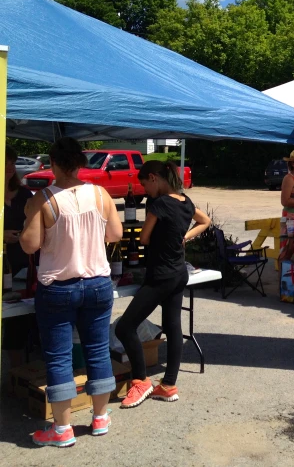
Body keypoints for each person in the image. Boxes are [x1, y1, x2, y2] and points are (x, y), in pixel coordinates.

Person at [20, 137, 123, 447]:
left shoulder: (44, 199)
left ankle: (62, 429)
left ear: (53, 164)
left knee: (59, 357)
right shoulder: (100, 194)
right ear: (80, 163)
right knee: (97, 350)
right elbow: (115, 233)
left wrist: (29, 216)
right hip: (98, 284)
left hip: (58, 287)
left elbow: (29, 244)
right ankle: (100, 418)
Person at [116, 161, 210, 408]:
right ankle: (168, 385)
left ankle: (141, 380)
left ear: (155, 178)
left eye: (144, 184)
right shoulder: (185, 201)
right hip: (179, 272)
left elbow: (144, 238)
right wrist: (184, 237)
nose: (144, 189)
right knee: (173, 326)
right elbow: (205, 220)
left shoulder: (158, 204)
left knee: (124, 328)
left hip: (161, 275)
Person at [2, 146, 35, 368]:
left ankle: (20, 369)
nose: (11, 167)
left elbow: (35, 221)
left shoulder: (24, 193)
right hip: (3, 261)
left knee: (21, 314)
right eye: (6, 162)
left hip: (23, 261)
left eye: (13, 162)